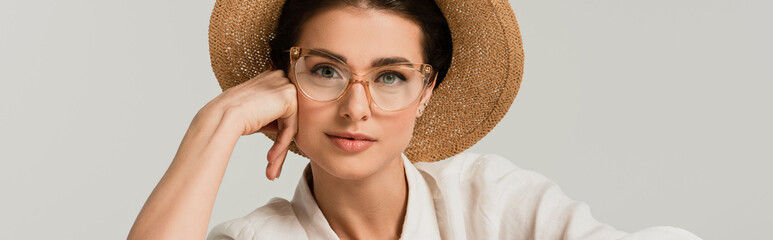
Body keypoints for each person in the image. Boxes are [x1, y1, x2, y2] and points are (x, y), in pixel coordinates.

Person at [129, 0, 702, 239]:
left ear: (428, 90)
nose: (356, 108)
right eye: (326, 71)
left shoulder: (493, 203)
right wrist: (218, 123)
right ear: (285, 82)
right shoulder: (258, 238)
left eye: (390, 76)